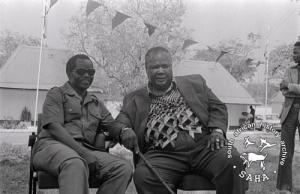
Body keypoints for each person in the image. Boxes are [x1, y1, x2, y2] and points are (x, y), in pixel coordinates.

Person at [114, 46, 247, 194]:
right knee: (144, 176)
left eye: (164, 66)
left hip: (205, 147)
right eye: (154, 67)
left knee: (232, 161)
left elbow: (217, 107)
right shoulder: (134, 98)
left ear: (171, 67)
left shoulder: (195, 83)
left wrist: (217, 130)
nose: (160, 71)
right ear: (146, 69)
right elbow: (119, 122)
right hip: (162, 154)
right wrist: (124, 130)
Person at [32, 54, 132, 194]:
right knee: (75, 162)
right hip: (51, 147)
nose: (87, 75)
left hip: (85, 150)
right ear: (69, 73)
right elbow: (55, 128)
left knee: (123, 168)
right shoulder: (57, 94)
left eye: (91, 72)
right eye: (81, 71)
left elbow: (113, 126)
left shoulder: (96, 103)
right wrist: (83, 153)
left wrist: (124, 130)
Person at [277, 41, 300, 194]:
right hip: (289, 112)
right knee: (286, 150)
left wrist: (291, 87)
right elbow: (282, 89)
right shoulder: (289, 70)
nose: (293, 55)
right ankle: (284, 188)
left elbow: (287, 87)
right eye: (293, 52)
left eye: (296, 52)